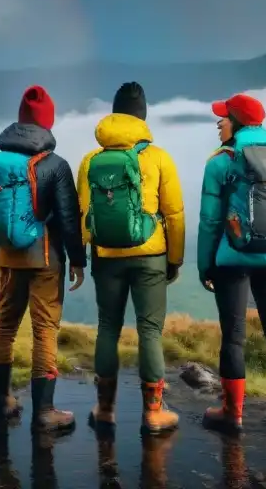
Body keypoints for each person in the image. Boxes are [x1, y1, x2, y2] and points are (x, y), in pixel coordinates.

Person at [0, 85, 86, 432]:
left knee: (4, 328)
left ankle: (3, 401)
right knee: (44, 330)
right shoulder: (55, 165)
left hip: (7, 258)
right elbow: (68, 218)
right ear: (47, 123)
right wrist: (78, 260)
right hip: (45, 259)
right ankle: (45, 412)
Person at [197, 93, 266, 437]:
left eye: (224, 117)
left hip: (232, 261)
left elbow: (210, 222)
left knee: (234, 338)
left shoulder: (221, 161)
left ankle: (232, 414)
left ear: (238, 122)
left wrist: (205, 266)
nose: (219, 123)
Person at [77, 82, 185, 435]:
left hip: (106, 256)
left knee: (108, 327)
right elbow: (174, 214)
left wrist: (81, 256)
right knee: (149, 331)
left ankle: (105, 409)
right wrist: (175, 259)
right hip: (151, 256)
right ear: (143, 117)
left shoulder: (91, 160)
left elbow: (83, 214)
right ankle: (153, 412)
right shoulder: (159, 157)